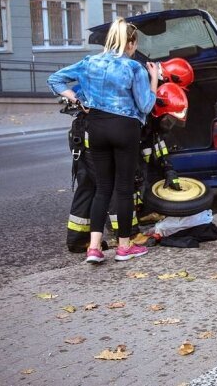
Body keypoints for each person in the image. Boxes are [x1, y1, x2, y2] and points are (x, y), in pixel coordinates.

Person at [48, 18, 158, 263]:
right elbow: (146, 105)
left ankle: (94, 249)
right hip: (125, 129)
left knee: (102, 188)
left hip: (96, 128)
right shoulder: (133, 68)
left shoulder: (89, 63)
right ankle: (124, 247)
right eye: (134, 43)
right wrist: (154, 79)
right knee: (124, 189)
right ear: (130, 43)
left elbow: (55, 80)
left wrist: (77, 101)